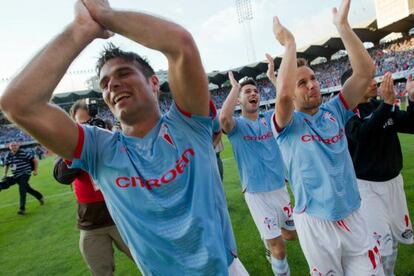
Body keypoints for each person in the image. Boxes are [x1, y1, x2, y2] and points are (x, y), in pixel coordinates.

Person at [0, 1, 246, 274]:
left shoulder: (188, 123)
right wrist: (81, 29)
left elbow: (180, 44)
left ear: (154, 83)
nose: (112, 85)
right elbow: (18, 104)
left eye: (124, 73)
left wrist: (106, 15)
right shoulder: (99, 149)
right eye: (104, 84)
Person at [270, 0, 384, 274]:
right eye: (302, 82)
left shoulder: (335, 109)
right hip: (315, 222)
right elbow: (283, 96)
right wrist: (289, 44)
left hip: (353, 215)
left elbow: (365, 73)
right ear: (293, 91)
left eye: (313, 78)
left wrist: (343, 27)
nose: (312, 85)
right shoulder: (286, 125)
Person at [220, 62, 296, 274]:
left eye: (255, 91)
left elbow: (289, 101)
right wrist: (235, 87)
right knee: (279, 251)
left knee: (291, 235)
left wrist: (273, 78)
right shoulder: (237, 126)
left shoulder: (270, 120)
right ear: (239, 100)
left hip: (280, 189)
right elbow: (223, 118)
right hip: (256, 194)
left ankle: (269, 234)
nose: (253, 93)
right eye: (247, 92)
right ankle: (271, 246)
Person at [343, 70, 414, 275]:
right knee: (381, 243)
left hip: (394, 183)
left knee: (394, 240)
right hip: (367, 188)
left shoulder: (380, 106)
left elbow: (411, 124)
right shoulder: (348, 112)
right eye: (368, 80)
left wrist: (412, 98)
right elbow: (363, 135)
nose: (374, 83)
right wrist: (386, 105)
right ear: (354, 85)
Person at [53, 99, 133, 276]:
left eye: (92, 123)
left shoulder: (112, 136)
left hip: (123, 217)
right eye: (83, 125)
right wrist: (76, 146)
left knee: (153, 263)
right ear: (73, 125)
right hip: (92, 223)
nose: (89, 129)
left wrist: (106, 134)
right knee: (100, 271)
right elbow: (62, 176)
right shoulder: (69, 146)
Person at [2, 142, 44, 215]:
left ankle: (22, 209)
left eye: (15, 145)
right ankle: (39, 196)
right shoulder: (8, 155)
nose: (13, 147)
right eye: (12, 146)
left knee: (22, 190)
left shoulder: (23, 153)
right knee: (27, 188)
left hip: (25, 173)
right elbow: (7, 165)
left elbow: (35, 160)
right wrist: (5, 174)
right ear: (9, 147)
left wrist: (35, 171)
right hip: (16, 175)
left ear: (18, 146)